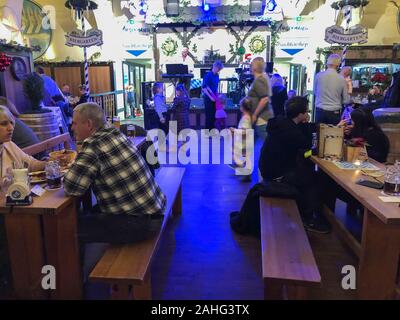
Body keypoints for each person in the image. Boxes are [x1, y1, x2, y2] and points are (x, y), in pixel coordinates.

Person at [63, 102, 167, 244]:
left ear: (88, 124)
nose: (72, 127)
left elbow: (71, 188)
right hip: (154, 211)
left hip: (140, 224)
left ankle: (80, 266)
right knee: (90, 213)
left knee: (68, 228)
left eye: (74, 123)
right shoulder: (115, 133)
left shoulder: (93, 145)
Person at [259, 96, 330, 233]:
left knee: (309, 175)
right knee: (315, 179)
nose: (308, 113)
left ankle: (312, 212)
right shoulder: (291, 132)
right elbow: (306, 147)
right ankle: (309, 219)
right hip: (276, 175)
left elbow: (303, 147)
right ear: (300, 114)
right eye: (307, 111)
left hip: (269, 169)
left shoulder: (282, 123)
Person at [0, 105, 45, 182]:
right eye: (4, 124)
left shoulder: (9, 144)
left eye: (12, 123)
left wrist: (49, 163)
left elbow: (30, 163)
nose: (11, 128)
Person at [314, 54, 350, 125]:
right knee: (333, 134)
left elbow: (315, 93)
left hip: (319, 111)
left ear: (327, 63)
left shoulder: (318, 76)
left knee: (320, 134)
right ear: (338, 65)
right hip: (334, 113)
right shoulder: (341, 79)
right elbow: (346, 100)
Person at [246, 57, 273, 142]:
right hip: (260, 118)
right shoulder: (261, 78)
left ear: (254, 68)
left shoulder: (259, 80)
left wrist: (254, 114)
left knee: (268, 145)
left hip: (262, 118)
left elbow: (264, 99)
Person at [229, 97, 253, 182]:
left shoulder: (245, 118)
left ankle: (241, 168)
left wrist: (234, 130)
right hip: (246, 141)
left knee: (244, 157)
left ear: (242, 107)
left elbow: (245, 131)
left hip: (244, 141)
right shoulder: (248, 117)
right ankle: (246, 173)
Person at [202, 60, 224, 131]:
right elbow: (204, 88)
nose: (219, 70)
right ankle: (207, 133)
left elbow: (215, 87)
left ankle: (212, 131)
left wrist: (217, 96)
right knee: (209, 116)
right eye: (218, 68)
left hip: (215, 96)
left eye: (220, 69)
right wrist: (211, 97)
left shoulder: (217, 75)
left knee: (214, 115)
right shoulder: (208, 75)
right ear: (215, 67)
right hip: (208, 97)